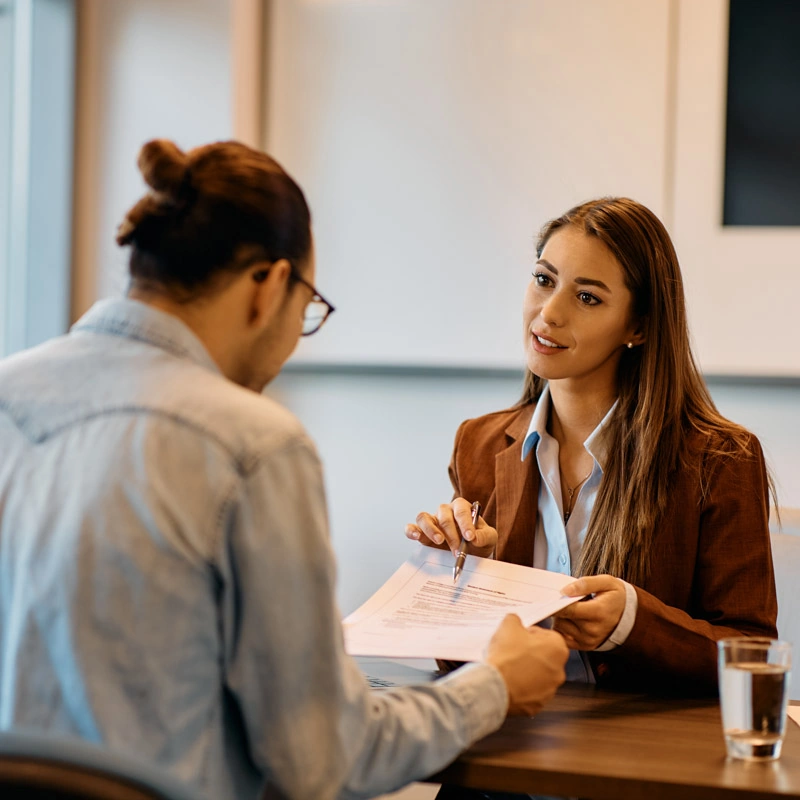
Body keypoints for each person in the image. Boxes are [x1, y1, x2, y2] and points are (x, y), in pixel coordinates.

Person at [0, 139, 569, 800]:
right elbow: (324, 758)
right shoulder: (252, 444)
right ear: (268, 286)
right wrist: (495, 683)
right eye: (306, 314)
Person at [406, 197, 777, 696]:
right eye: (544, 280)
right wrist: (464, 579)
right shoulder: (478, 442)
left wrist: (633, 624)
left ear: (639, 327)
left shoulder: (719, 458)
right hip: (505, 745)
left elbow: (753, 657)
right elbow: (457, 665)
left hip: (633, 760)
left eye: (587, 298)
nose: (549, 313)